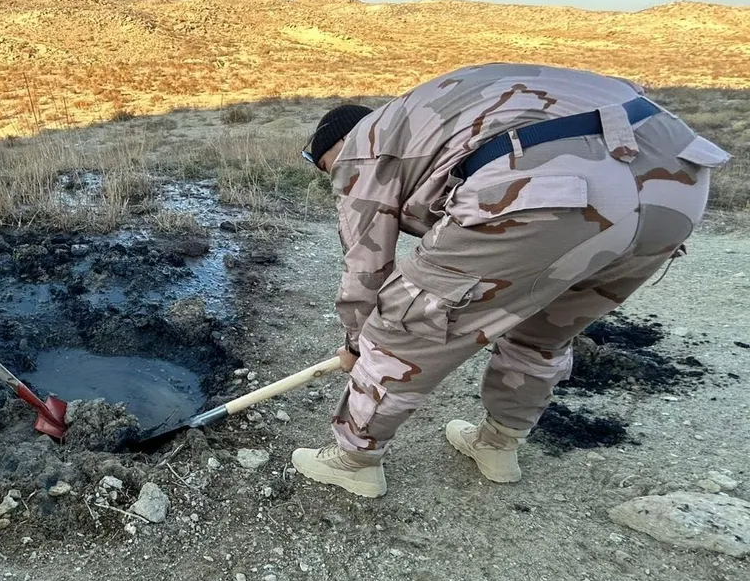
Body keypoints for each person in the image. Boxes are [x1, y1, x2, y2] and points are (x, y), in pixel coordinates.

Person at [293, 63, 730, 498]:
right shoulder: (434, 117)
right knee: (545, 330)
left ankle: (354, 460)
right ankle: (498, 446)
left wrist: (357, 343)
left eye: (325, 166)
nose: (334, 177)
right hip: (679, 181)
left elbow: (366, 267)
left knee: (403, 325)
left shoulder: (363, 144)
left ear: (336, 144)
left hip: (549, 184)